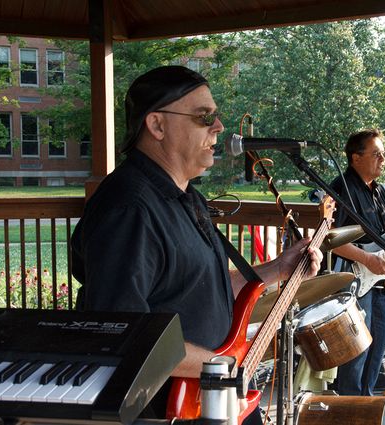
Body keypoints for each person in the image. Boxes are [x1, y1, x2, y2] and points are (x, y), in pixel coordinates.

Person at [70, 66, 322, 417]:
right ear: (157, 125)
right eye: (204, 118)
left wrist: (279, 268)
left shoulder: (186, 198)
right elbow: (123, 332)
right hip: (162, 408)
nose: (219, 127)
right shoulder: (129, 208)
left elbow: (202, 290)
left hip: (208, 394)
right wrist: (220, 365)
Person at [329, 129, 385, 395]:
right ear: (356, 157)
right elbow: (332, 239)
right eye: (376, 154)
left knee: (380, 339)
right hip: (353, 278)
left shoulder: (378, 191)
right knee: (358, 347)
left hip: (376, 279)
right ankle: (349, 405)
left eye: (383, 154)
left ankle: (365, 402)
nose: (383, 160)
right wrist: (367, 258)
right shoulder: (341, 188)